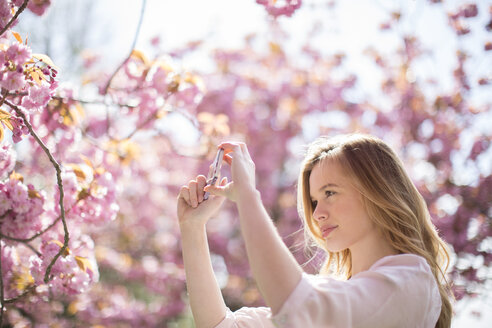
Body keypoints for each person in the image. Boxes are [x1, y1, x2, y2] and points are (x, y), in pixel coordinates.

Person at [177, 133, 453, 328]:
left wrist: (248, 195)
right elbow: (221, 325)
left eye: (330, 192)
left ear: (378, 190)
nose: (317, 213)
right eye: (313, 201)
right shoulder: (338, 294)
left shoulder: (411, 282)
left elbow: (299, 307)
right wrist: (192, 228)